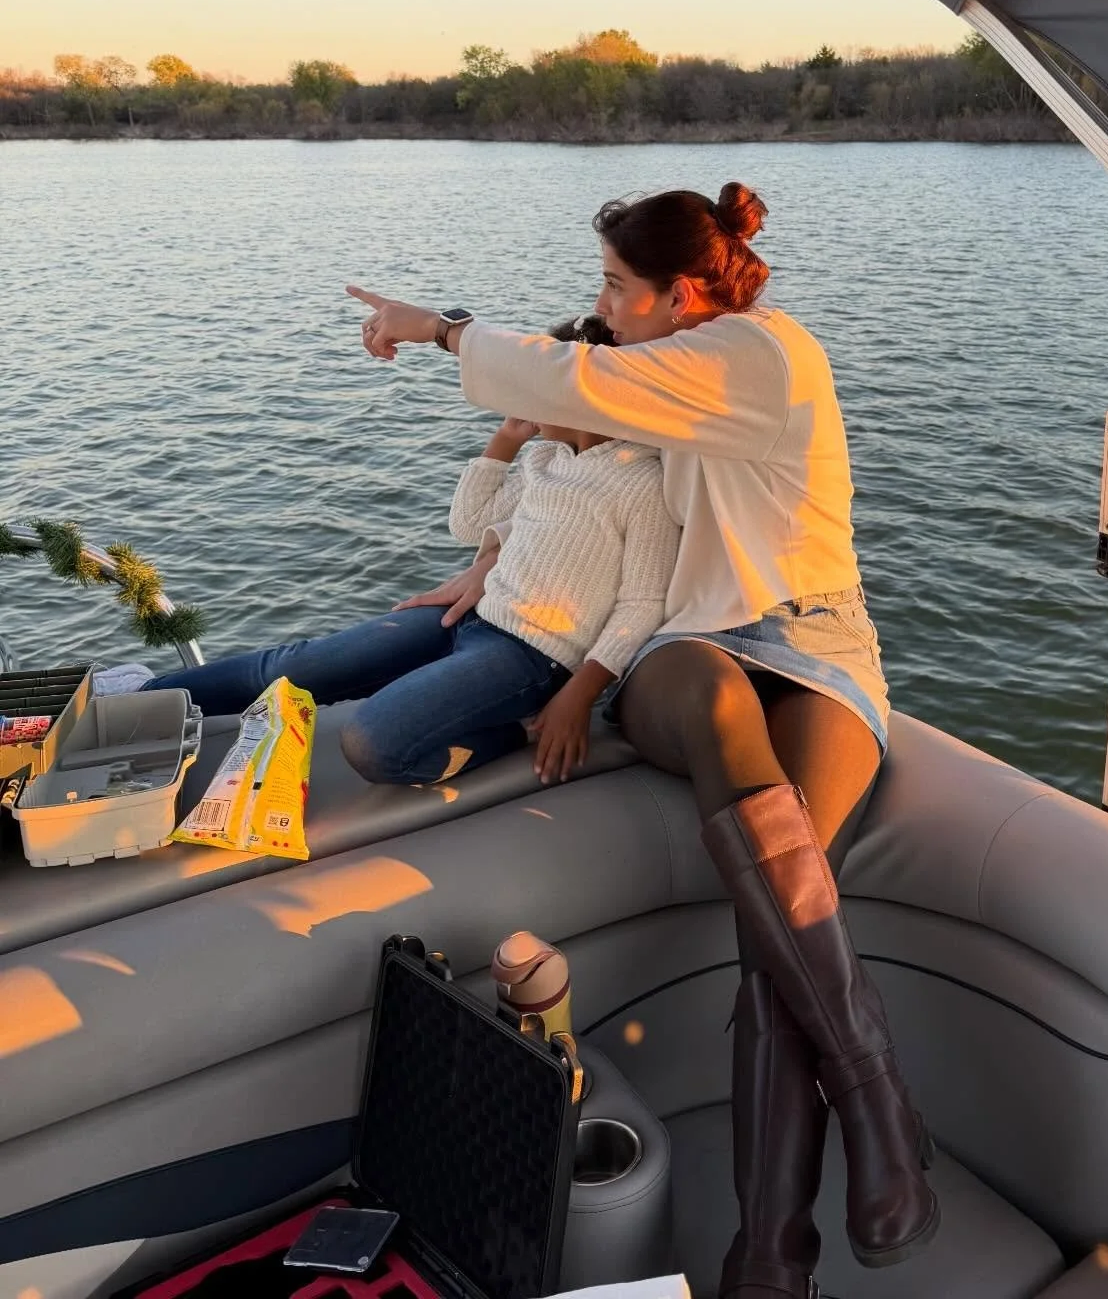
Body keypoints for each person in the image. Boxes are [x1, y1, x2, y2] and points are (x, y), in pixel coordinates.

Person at [348, 181, 939, 1299]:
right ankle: (877, 1097)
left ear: (682, 296)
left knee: (782, 919)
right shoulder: (662, 371)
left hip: (821, 646)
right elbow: (558, 430)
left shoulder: (761, 356)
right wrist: (484, 570)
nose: (602, 306)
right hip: (693, 645)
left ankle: (772, 1256)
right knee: (715, 705)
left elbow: (577, 377)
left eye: (619, 288)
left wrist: (438, 325)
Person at [133, 317, 679, 788]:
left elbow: (642, 603)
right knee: (293, 665)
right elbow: (468, 524)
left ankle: (516, 726)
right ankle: (132, 703)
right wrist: (506, 441)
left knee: (374, 743)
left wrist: (578, 697)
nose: (525, 394)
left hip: (534, 658)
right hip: (469, 615)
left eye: (538, 385)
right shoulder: (547, 459)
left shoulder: (640, 481)